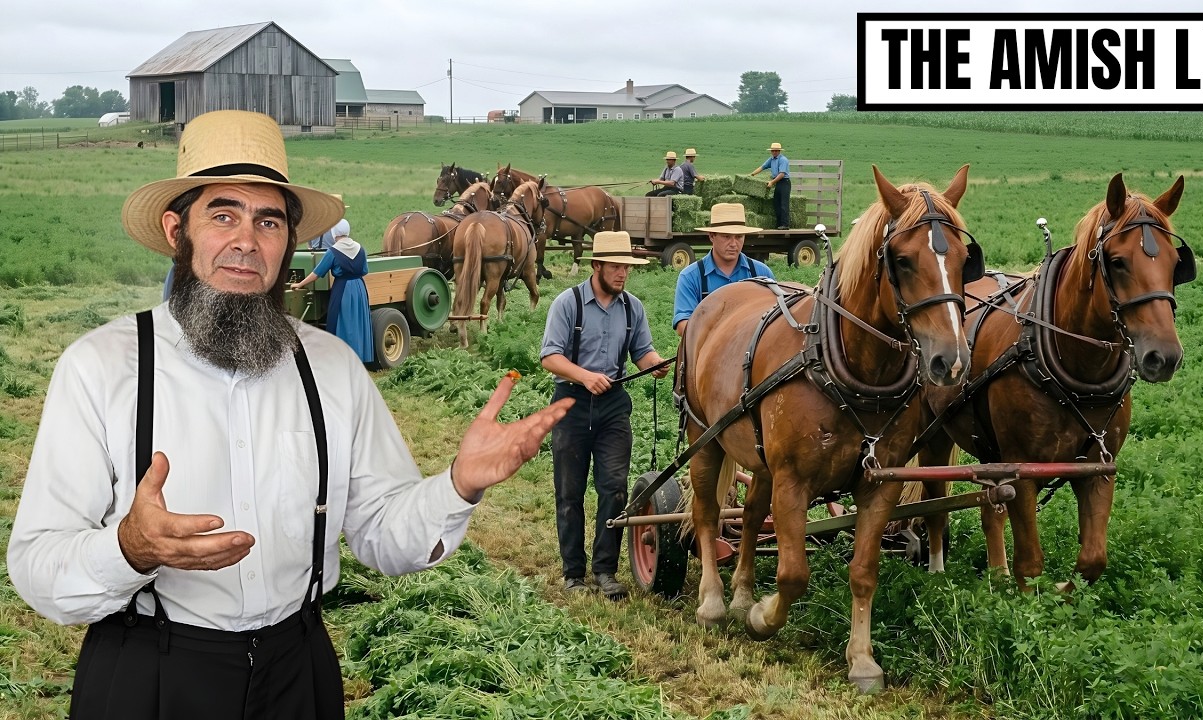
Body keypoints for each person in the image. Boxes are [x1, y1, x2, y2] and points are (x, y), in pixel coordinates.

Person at [7, 109, 572, 720]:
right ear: (177, 230)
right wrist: (130, 549)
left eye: (268, 221)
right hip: (150, 668)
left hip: (297, 670)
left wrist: (457, 486)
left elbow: (382, 533)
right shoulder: (99, 367)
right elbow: (38, 566)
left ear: (289, 242)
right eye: (222, 215)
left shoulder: (332, 368)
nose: (246, 241)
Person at [539, 231, 669, 600]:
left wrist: (655, 363)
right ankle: (574, 574)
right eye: (615, 266)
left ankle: (605, 571)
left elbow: (642, 352)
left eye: (626, 267)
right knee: (570, 492)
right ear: (596, 266)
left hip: (613, 405)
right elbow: (550, 356)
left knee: (613, 488)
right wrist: (584, 376)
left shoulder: (633, 308)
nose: (622, 274)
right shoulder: (569, 304)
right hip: (571, 403)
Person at [673, 202, 775, 336]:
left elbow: (775, 319)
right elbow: (682, 325)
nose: (733, 244)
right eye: (726, 236)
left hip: (752, 354)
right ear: (711, 236)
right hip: (707, 354)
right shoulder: (691, 276)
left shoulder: (762, 273)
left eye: (739, 237)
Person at [290, 219, 374, 364]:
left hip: (342, 289)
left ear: (334, 233)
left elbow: (317, 273)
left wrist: (300, 284)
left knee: (343, 322)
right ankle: (360, 356)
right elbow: (364, 270)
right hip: (359, 287)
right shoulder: (360, 249)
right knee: (358, 321)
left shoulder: (333, 252)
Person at [749, 141, 791, 229]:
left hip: (784, 182)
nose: (774, 152)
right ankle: (779, 224)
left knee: (784, 204)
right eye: (773, 151)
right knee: (776, 203)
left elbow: (782, 174)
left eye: (776, 151)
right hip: (777, 183)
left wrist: (772, 182)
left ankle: (785, 224)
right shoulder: (771, 159)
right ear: (771, 151)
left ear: (779, 151)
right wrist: (752, 174)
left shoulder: (783, 160)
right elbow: (762, 167)